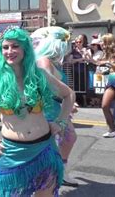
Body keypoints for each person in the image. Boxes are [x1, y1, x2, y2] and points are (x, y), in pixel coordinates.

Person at [0, 27, 74, 196]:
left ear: (25, 49)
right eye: (5, 47)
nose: (10, 51)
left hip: (44, 149)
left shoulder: (39, 75)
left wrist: (61, 122)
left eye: (15, 46)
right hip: (13, 153)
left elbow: (68, 95)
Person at [33, 26, 79, 187]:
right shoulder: (44, 61)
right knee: (47, 145)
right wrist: (65, 100)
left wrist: (69, 101)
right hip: (48, 109)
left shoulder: (53, 62)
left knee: (69, 138)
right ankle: (44, 179)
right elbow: (48, 87)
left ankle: (59, 171)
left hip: (58, 108)